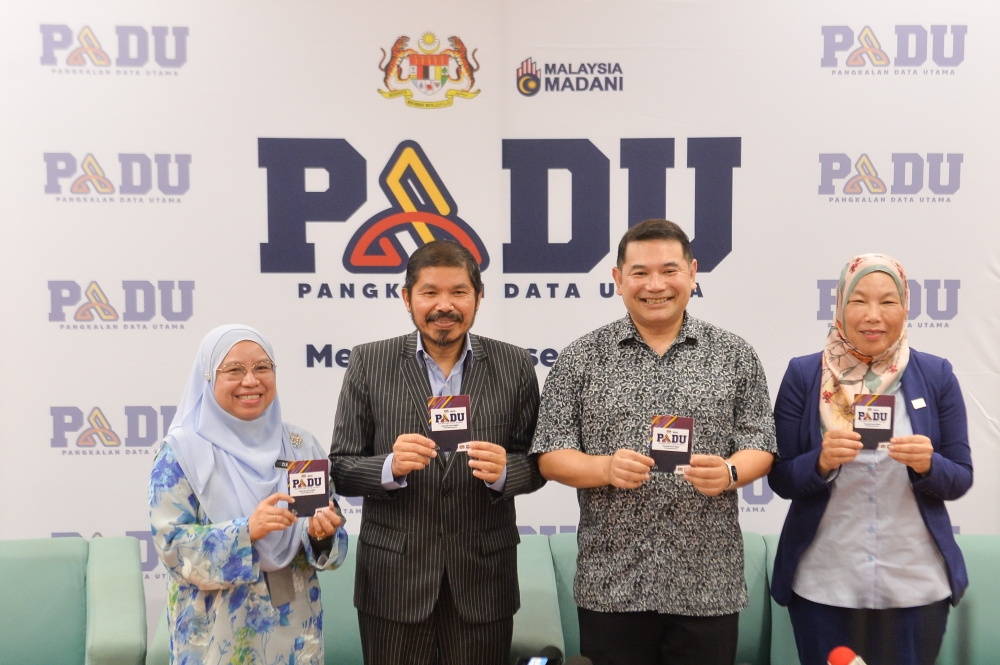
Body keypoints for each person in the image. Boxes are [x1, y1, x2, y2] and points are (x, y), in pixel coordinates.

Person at [530, 219, 777, 665]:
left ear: (693, 273)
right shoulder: (580, 358)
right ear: (618, 279)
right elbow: (551, 453)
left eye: (669, 270)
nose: (655, 285)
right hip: (613, 584)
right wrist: (604, 469)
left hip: (707, 584)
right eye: (640, 272)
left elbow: (761, 441)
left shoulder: (734, 354)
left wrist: (730, 472)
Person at [329, 240, 545, 665]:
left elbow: (536, 464)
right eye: (429, 293)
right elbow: (342, 467)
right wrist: (389, 466)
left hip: (483, 582)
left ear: (478, 297)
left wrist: (506, 471)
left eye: (459, 292)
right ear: (407, 298)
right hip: (394, 585)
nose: (444, 305)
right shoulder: (369, 362)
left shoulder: (515, 364)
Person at [768, 254, 972, 665]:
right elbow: (782, 477)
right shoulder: (805, 375)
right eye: (858, 300)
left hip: (915, 584)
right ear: (840, 305)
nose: (873, 316)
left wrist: (928, 464)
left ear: (906, 307)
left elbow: (960, 476)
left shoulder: (935, 375)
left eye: (888, 302)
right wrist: (821, 462)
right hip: (825, 583)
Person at [149, 325, 348, 665]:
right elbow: (172, 546)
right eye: (235, 370)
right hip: (217, 639)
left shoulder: (301, 446)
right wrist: (247, 530)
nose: (251, 381)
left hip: (297, 634)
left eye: (262, 368)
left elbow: (331, 531)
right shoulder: (183, 452)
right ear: (209, 377)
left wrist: (322, 534)